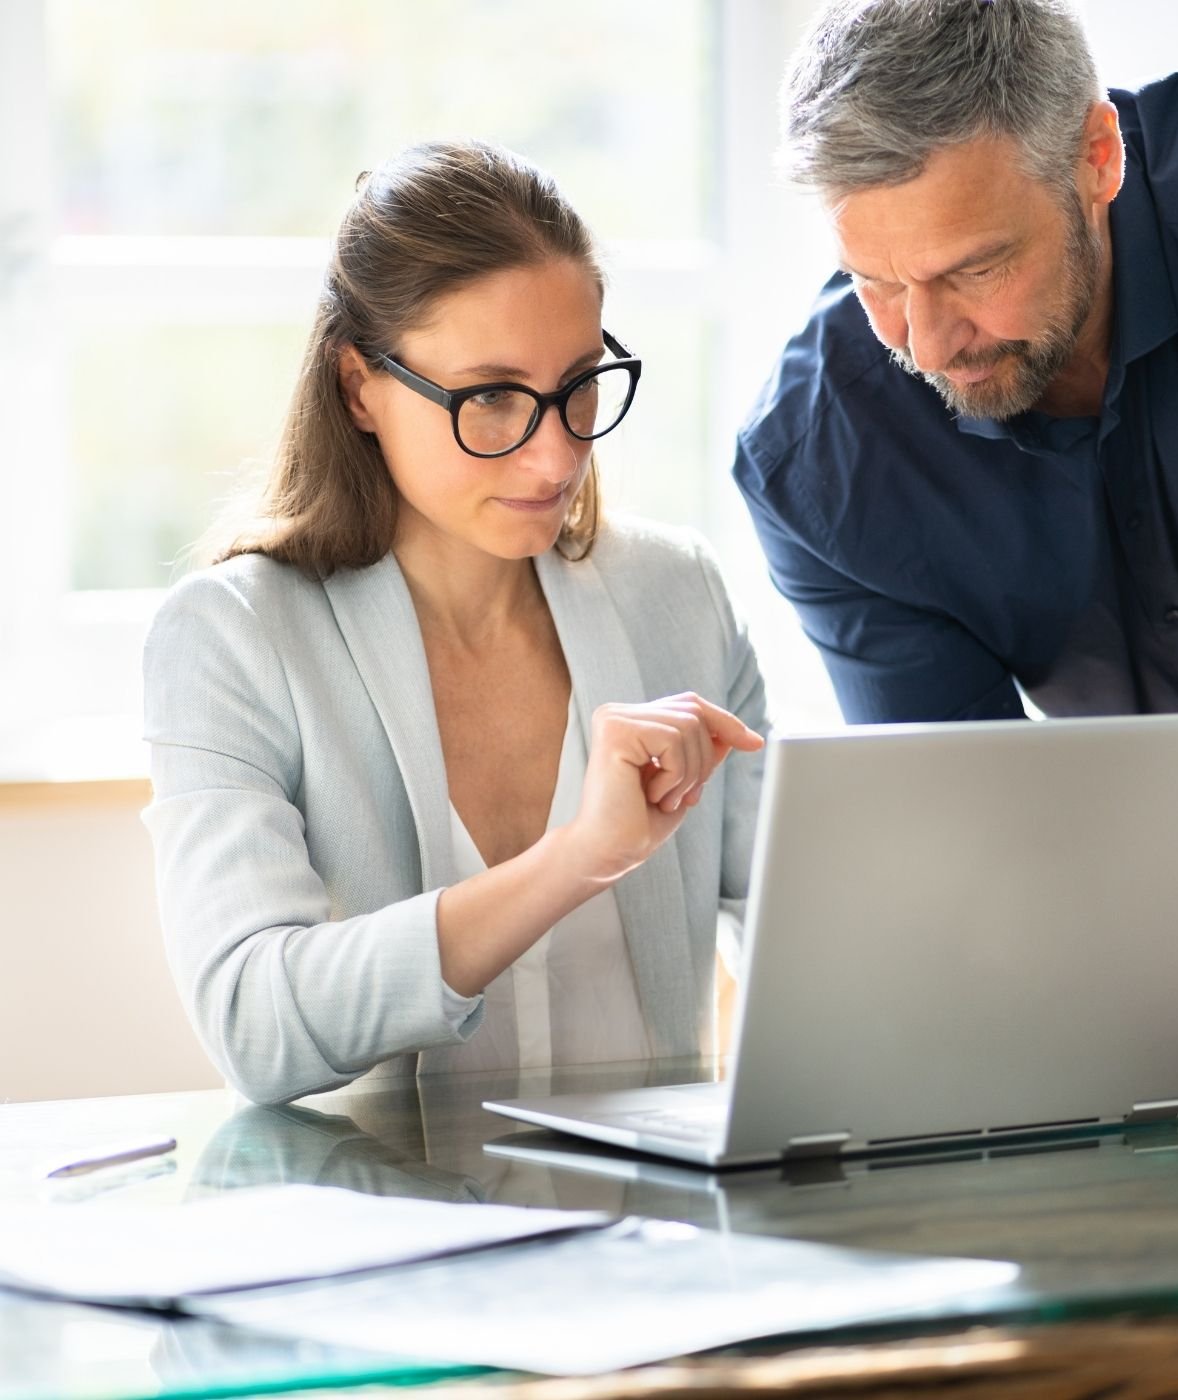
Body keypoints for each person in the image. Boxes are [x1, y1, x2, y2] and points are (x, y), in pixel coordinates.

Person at [731, 0, 1178, 1124]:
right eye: (878, 282)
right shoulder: (824, 456)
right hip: (1143, 879)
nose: (925, 344)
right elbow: (975, 826)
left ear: (1096, 155)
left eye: (972, 267)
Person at [143, 140, 766, 1107]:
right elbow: (254, 1027)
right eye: (492, 398)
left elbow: (802, 925)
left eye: (580, 385)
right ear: (359, 387)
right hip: (382, 1237)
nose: (556, 457)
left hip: (658, 1237)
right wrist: (574, 861)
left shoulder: (677, 591)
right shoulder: (233, 638)